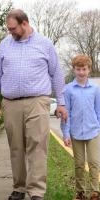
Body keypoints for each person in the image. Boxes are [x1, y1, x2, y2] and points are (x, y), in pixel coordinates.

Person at [0, 9, 67, 200]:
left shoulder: (45, 44)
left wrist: (62, 103)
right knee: (16, 147)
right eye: (8, 29)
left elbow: (56, 74)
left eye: (13, 28)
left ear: (25, 24)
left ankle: (36, 191)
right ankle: (19, 188)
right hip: (11, 103)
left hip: (37, 101)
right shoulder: (5, 45)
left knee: (38, 145)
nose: (10, 32)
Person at [61, 55, 100, 200]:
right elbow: (66, 114)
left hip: (93, 131)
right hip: (76, 132)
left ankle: (95, 192)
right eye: (78, 69)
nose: (81, 72)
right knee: (79, 163)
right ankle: (80, 192)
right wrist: (65, 134)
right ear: (74, 70)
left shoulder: (95, 89)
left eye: (84, 69)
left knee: (94, 162)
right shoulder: (68, 90)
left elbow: (98, 111)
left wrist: (99, 127)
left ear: (89, 69)